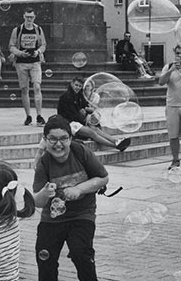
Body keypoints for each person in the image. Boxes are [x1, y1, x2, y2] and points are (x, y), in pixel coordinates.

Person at [32, 115, 109, 281]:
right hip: (52, 219)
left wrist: (79, 189)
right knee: (45, 259)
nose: (58, 144)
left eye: (63, 139)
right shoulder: (44, 163)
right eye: (52, 139)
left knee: (82, 254)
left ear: (71, 138)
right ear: (45, 140)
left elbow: (102, 178)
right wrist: (45, 193)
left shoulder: (80, 151)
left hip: (82, 215)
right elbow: (37, 201)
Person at [57, 77, 131, 151]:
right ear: (72, 84)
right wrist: (83, 117)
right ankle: (115, 146)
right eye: (76, 85)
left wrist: (87, 111)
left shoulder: (79, 96)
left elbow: (85, 106)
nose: (78, 88)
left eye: (80, 86)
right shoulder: (66, 97)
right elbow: (72, 115)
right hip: (68, 123)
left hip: (77, 122)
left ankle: (116, 141)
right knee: (92, 132)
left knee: (95, 129)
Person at [9, 7, 47, 126]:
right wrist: (20, 53)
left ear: (34, 17)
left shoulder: (38, 29)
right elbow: (11, 46)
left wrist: (38, 52)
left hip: (35, 62)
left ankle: (39, 115)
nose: (29, 19)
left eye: (31, 17)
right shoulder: (18, 30)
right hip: (21, 62)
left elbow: (43, 45)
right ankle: (28, 116)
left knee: (37, 86)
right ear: (23, 17)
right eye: (27, 17)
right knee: (24, 89)